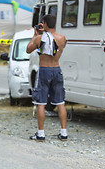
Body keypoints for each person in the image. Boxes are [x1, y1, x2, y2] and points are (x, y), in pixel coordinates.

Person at [26, 14, 68, 142]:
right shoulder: (62, 38)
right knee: (60, 103)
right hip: (57, 69)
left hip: (44, 70)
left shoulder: (40, 38)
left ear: (44, 24)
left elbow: (28, 49)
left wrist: (35, 34)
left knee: (41, 103)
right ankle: (64, 132)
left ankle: (41, 133)